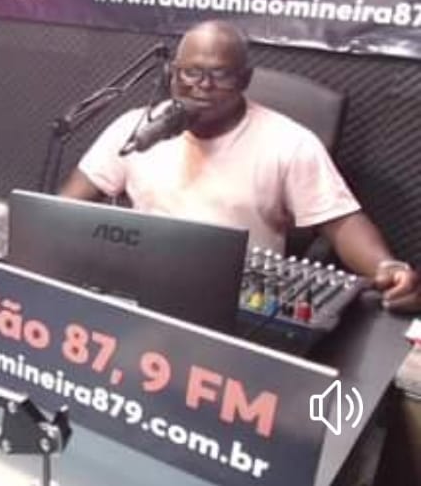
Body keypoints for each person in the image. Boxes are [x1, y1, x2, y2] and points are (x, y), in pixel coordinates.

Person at [61, 20, 420, 312]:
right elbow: (66, 207)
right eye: (191, 72)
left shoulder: (289, 142)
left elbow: (342, 222)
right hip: (142, 288)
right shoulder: (135, 129)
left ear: (245, 79)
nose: (203, 86)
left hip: (240, 300)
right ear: (172, 74)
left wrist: (387, 267)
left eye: (220, 75)